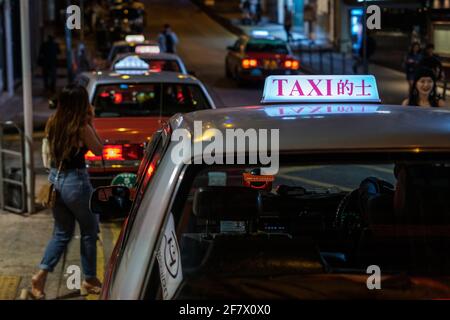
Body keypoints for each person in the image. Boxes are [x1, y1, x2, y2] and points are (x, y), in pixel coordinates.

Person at [30, 85, 104, 300]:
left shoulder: (53, 121)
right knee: (90, 231)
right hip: (76, 183)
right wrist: (90, 121)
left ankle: (40, 276)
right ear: (82, 104)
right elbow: (98, 150)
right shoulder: (81, 126)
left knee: (62, 233)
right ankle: (90, 279)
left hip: (55, 180)